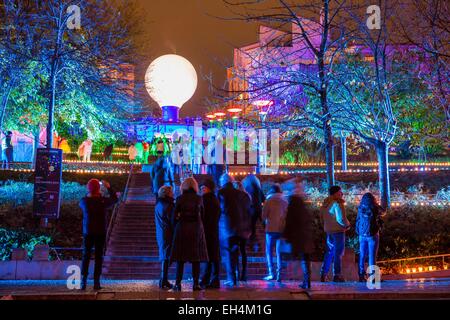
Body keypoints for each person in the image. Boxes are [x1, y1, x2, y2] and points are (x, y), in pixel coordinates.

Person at [170, 177, 208, 291]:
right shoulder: (199, 198)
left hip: (182, 229)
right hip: (196, 229)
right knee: (195, 258)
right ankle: (196, 284)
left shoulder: (180, 198)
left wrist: (177, 223)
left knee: (180, 258)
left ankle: (177, 283)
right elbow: (203, 215)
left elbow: (173, 216)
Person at [79, 179, 118, 290]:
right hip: (100, 232)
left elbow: (85, 198)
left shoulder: (84, 201)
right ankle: (96, 282)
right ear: (99, 188)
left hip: (88, 232)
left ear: (88, 188)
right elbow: (115, 199)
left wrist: (91, 192)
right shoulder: (102, 201)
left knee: (86, 256)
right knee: (99, 257)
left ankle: (83, 281)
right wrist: (109, 187)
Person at [218, 174, 252, 286]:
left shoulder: (221, 193)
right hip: (243, 228)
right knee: (240, 251)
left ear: (223, 182)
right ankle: (243, 275)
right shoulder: (243, 194)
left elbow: (218, 210)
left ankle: (232, 278)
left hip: (228, 228)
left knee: (229, 252)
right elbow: (248, 210)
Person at [283, 182, 315, 289]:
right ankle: (307, 281)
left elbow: (289, 220)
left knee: (302, 258)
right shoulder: (303, 204)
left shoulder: (293, 203)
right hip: (305, 235)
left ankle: (305, 281)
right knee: (305, 258)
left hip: (298, 236)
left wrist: (286, 235)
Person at [320, 186, 351, 283]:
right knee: (338, 254)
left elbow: (322, 219)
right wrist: (347, 225)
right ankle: (337, 275)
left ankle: (323, 274)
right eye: (340, 192)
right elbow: (341, 219)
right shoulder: (337, 203)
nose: (341, 194)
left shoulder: (325, 204)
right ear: (335, 193)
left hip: (329, 231)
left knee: (329, 253)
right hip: (338, 231)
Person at [261, 184, 288, 282]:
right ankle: (279, 275)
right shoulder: (285, 201)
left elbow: (263, 216)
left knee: (269, 252)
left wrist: (265, 222)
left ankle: (271, 273)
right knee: (279, 252)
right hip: (281, 229)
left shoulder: (269, 201)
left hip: (270, 229)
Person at [356, 193, 384, 282]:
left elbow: (358, 220)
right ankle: (373, 277)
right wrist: (377, 204)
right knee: (372, 256)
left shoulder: (360, 208)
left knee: (362, 255)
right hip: (373, 234)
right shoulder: (375, 207)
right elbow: (384, 212)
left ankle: (361, 275)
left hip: (361, 235)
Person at [199, 179, 221, 289]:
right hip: (214, 230)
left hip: (206, 231)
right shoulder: (215, 199)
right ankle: (213, 279)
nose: (201, 190)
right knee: (214, 256)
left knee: (209, 256)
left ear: (208, 188)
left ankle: (207, 279)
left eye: (203, 188)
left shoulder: (204, 200)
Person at [155, 185, 175, 289]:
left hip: (161, 232)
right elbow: (172, 220)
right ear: (167, 193)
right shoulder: (169, 205)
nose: (173, 193)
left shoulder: (159, 203)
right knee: (167, 257)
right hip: (167, 233)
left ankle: (163, 279)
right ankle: (163, 280)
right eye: (171, 192)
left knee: (165, 256)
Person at [242, 174, 266, 251]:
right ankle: (265, 241)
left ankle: (252, 242)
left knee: (252, 227)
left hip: (251, 209)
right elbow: (263, 199)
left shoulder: (247, 188)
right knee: (263, 225)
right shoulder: (258, 188)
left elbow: (245, 200)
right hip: (259, 209)